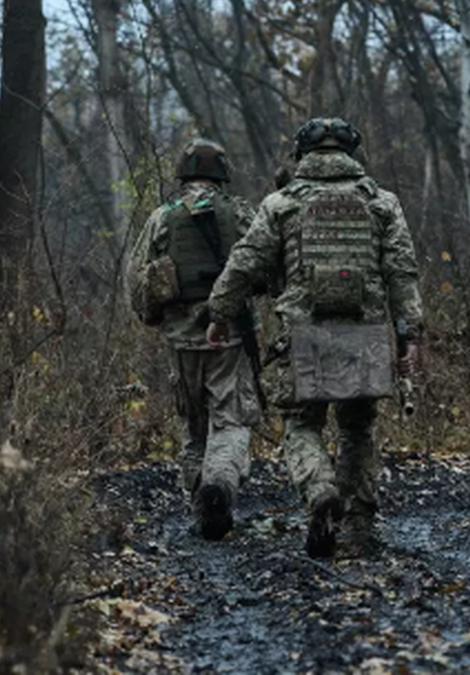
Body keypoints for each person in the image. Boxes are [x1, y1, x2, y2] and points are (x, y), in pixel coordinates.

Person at [205, 117, 423, 559]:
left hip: (303, 334)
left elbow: (246, 262)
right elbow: (402, 273)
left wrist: (219, 312)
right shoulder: (381, 203)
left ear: (302, 154)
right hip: (364, 332)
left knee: (302, 425)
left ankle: (321, 491)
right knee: (358, 429)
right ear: (352, 153)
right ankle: (356, 526)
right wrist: (409, 335)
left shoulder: (282, 203)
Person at [126, 138, 261, 541]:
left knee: (193, 424)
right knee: (232, 418)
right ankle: (218, 483)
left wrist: (152, 317)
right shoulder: (238, 213)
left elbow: (138, 278)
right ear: (222, 173)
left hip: (180, 337)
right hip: (230, 333)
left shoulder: (163, 217)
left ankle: (200, 502)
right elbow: (263, 261)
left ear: (182, 173)